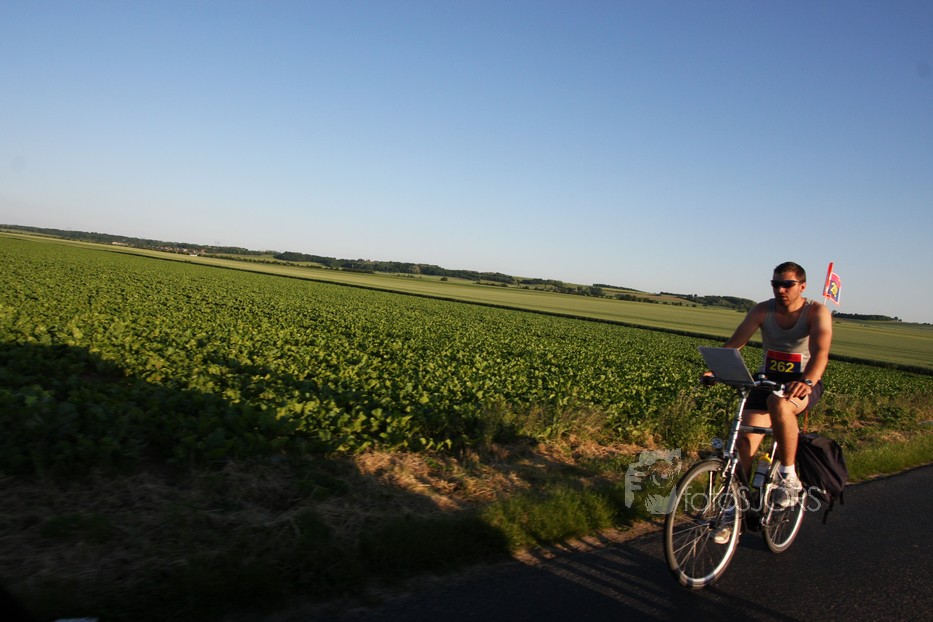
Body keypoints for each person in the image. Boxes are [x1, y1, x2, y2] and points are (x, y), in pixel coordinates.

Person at [707, 261, 832, 543]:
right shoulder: (763, 310)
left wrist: (807, 381)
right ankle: (733, 510)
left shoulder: (816, 312)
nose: (781, 289)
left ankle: (788, 476)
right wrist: (716, 369)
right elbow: (735, 343)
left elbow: (821, 352)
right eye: (776, 284)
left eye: (787, 284)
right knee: (744, 441)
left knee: (780, 404)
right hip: (766, 380)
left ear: (802, 286)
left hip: (802, 381)